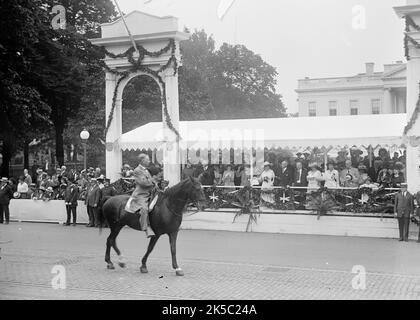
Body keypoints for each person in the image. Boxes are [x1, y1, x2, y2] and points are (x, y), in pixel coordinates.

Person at [125, 153, 155, 238]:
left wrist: (155, 183)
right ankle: (146, 229)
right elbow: (143, 183)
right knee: (144, 209)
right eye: (148, 159)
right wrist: (152, 182)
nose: (149, 161)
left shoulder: (146, 170)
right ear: (142, 161)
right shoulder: (137, 170)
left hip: (150, 192)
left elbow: (151, 180)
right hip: (141, 194)